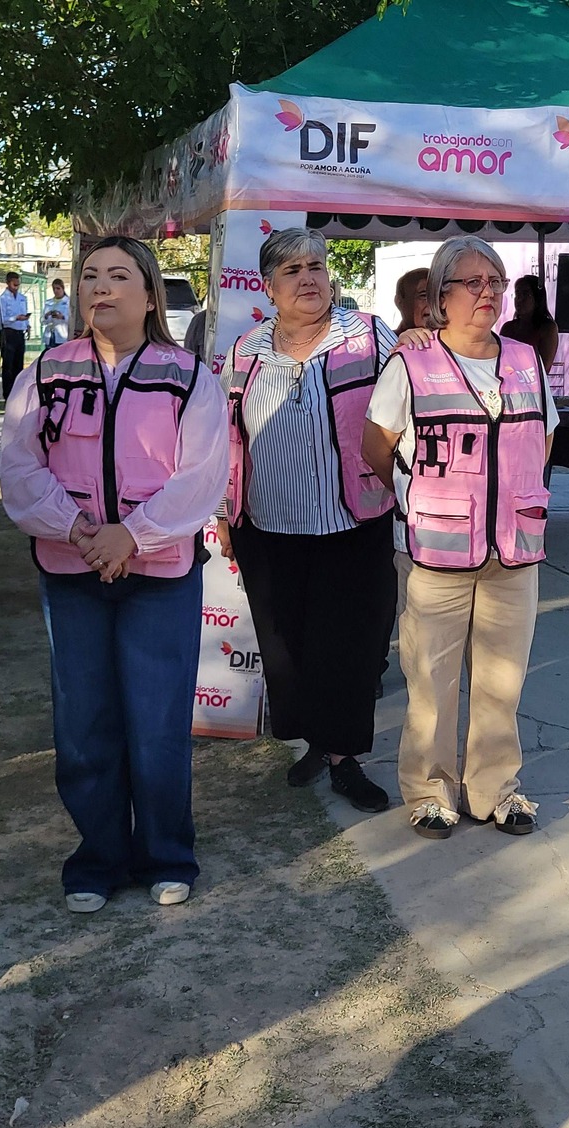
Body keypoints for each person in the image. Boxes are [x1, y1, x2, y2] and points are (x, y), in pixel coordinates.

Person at [0, 236, 227, 915]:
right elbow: (19, 466)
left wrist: (132, 535)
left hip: (159, 577)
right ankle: (97, 856)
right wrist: (78, 532)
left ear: (150, 294)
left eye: (119, 276)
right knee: (83, 722)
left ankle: (166, 853)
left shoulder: (188, 377)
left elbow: (201, 476)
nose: (102, 287)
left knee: (157, 722)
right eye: (91, 275)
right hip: (73, 572)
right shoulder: (44, 373)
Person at [363, 236, 557, 841]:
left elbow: (542, 437)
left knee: (503, 680)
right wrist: (424, 496)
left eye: (495, 282)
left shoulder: (526, 360)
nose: (488, 293)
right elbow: (376, 446)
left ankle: (496, 789)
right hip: (438, 552)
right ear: (439, 297)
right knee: (431, 681)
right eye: (472, 283)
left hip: (514, 551)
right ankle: (429, 790)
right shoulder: (411, 363)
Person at [214, 227, 396, 815]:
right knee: (287, 644)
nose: (308, 279)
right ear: (268, 287)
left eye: (316, 266)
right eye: (292, 270)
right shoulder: (245, 352)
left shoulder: (368, 336)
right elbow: (226, 437)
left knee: (351, 644)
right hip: (267, 526)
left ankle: (344, 758)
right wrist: (223, 511)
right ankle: (317, 742)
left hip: (353, 519)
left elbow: (412, 401)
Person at [499, 273, 560, 375]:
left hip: (534, 387)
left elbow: (544, 368)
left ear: (537, 298)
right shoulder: (508, 328)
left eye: (525, 294)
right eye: (517, 294)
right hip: (508, 385)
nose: (519, 299)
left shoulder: (548, 328)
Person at [0, 270, 32, 398]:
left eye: (18, 285)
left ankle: (18, 393)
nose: (16, 288)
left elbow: (25, 312)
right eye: (14, 285)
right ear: (8, 283)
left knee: (18, 365)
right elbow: (0, 320)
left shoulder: (22, 298)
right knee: (8, 366)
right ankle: (8, 394)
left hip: (19, 333)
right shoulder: (1, 299)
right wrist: (15, 318)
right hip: (8, 333)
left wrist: (27, 324)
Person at [393, 267, 431, 334]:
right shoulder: (385, 342)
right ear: (399, 302)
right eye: (423, 296)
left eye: (439, 296)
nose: (434, 303)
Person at [41, 277, 71, 348]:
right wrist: (46, 316)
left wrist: (62, 317)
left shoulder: (68, 302)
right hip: (50, 335)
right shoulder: (49, 302)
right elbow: (42, 321)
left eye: (58, 288)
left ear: (63, 288)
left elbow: (72, 320)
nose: (56, 291)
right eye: (54, 289)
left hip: (62, 335)